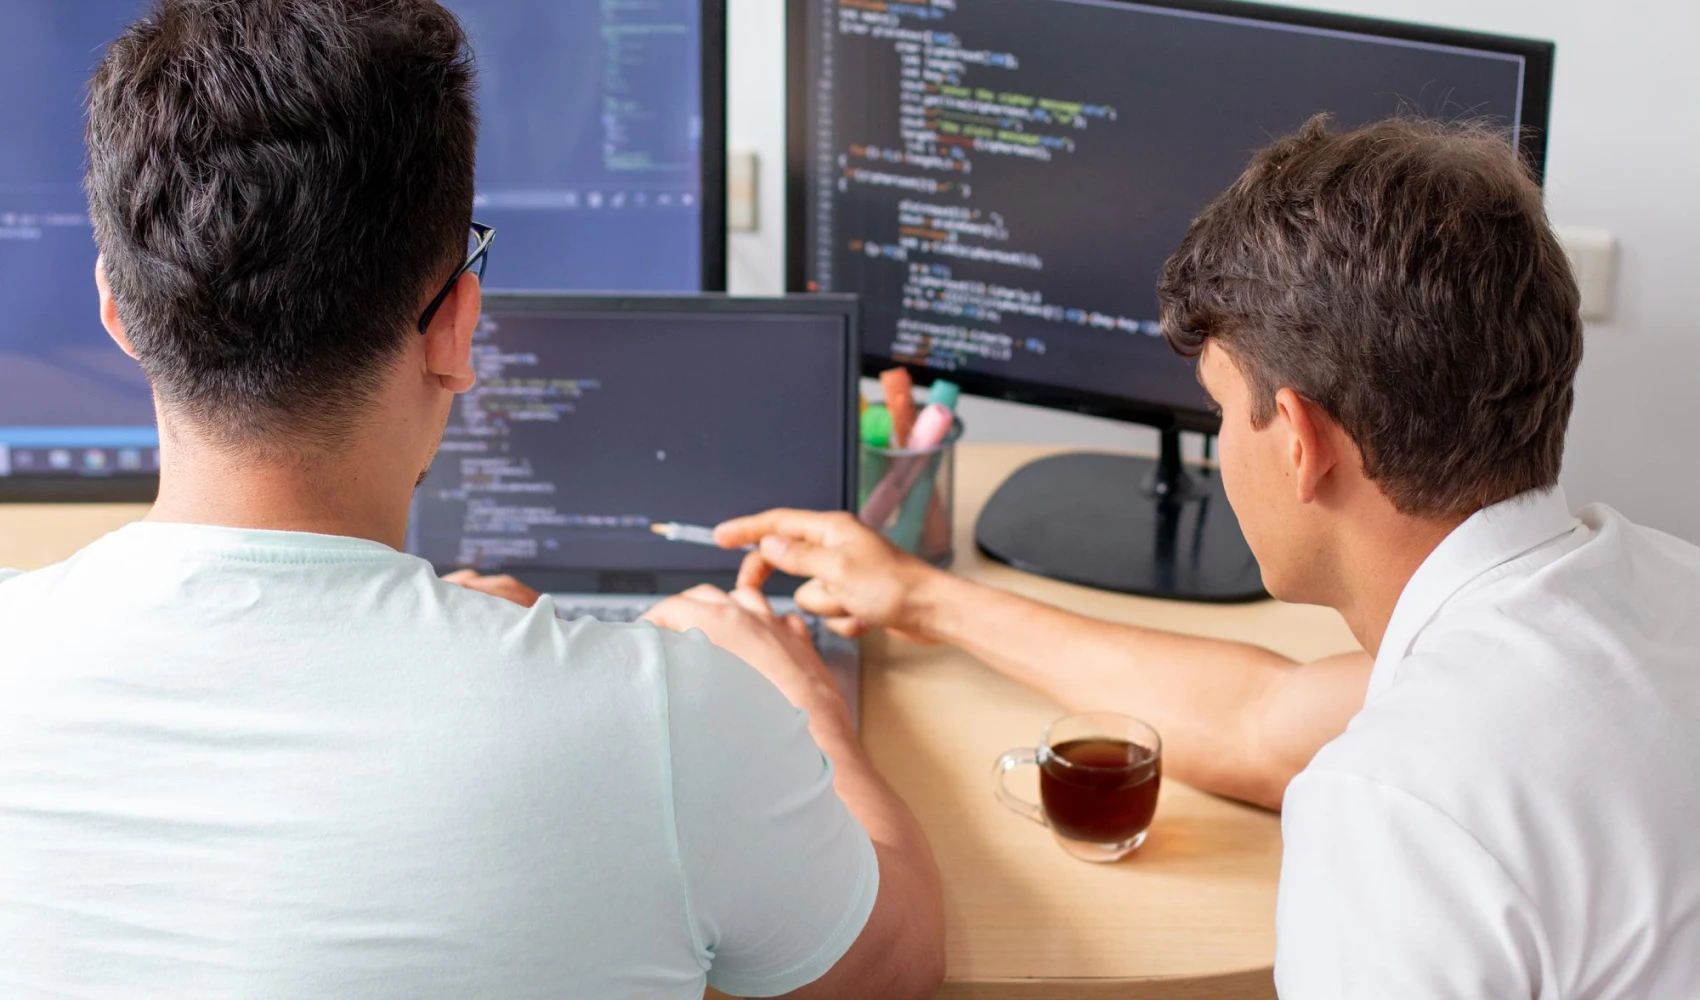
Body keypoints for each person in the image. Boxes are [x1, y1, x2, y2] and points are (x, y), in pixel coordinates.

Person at [0, 2, 943, 997]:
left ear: (116, 311)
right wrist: (806, 706)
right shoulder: (670, 718)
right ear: (457, 328)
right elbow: (898, 968)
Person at [719, 117, 1700, 995]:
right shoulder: (1654, 587)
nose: (1218, 444)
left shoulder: (1394, 809)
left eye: (1220, 411)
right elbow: (1256, 719)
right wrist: (918, 597)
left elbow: (1352, 766)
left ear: (1298, 443)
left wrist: (816, 720)